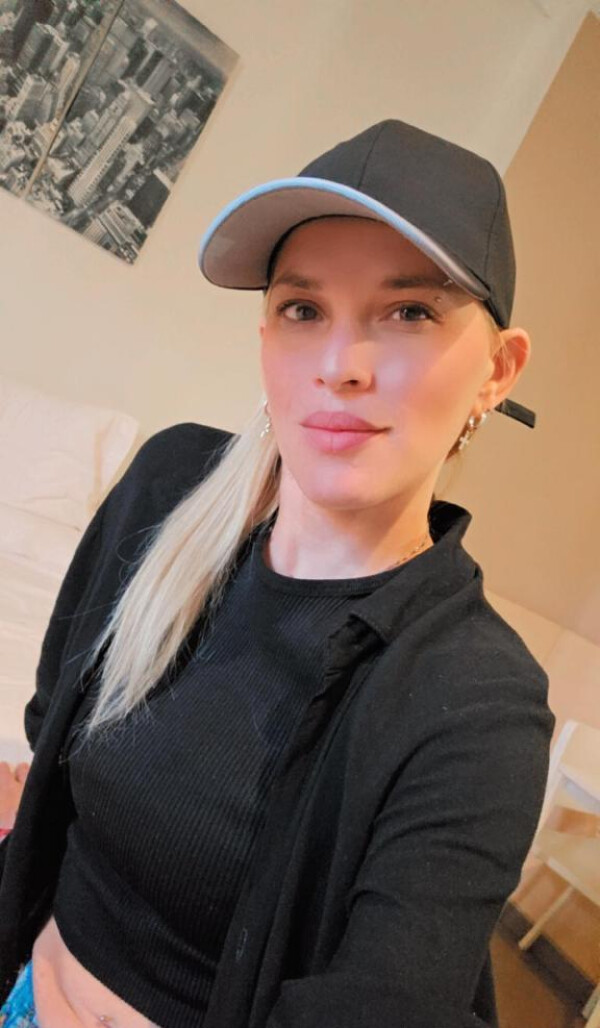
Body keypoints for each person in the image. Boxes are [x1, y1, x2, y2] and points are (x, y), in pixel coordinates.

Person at [0, 118, 554, 1028]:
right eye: (303, 309)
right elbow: (51, 718)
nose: (340, 366)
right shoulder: (169, 487)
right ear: (265, 335)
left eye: (409, 313)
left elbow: (381, 1003)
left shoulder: (478, 704)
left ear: (498, 370)